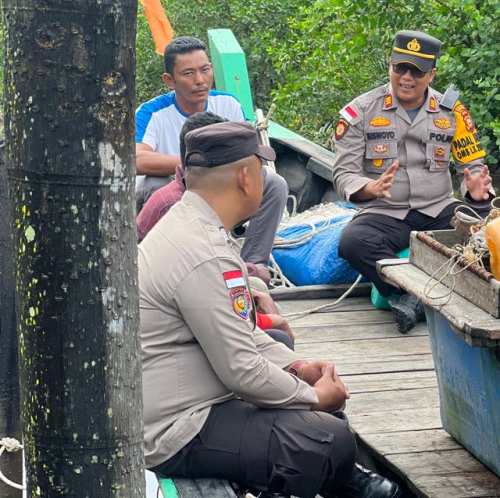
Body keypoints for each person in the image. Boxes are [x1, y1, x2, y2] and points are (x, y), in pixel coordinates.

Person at [139, 121, 399, 498]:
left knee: (308, 400)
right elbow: (241, 369)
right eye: (261, 170)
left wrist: (297, 369)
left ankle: (336, 478)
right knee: (331, 437)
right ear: (245, 177)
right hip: (176, 428)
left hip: (191, 394)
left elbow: (242, 333)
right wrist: (313, 398)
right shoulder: (202, 252)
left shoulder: (193, 224)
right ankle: (328, 477)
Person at [333, 30, 493, 333]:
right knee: (352, 242)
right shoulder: (361, 111)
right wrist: (369, 188)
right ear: (390, 66)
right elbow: (343, 173)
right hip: (384, 212)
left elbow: (472, 166)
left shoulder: (452, 112)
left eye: (416, 71)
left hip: (438, 209)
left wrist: (475, 192)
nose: (406, 78)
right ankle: (407, 294)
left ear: (431, 74)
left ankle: (415, 299)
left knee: (489, 234)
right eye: (399, 68)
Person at [137, 110, 293, 347]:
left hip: (182, 305)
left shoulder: (192, 204)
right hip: (169, 325)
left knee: (258, 291)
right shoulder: (178, 209)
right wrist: (268, 322)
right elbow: (235, 358)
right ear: (243, 178)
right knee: (278, 338)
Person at [135, 35, 288, 268]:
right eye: (188, 73)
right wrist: (198, 163)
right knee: (155, 185)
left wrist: (216, 169)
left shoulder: (229, 104)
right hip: (179, 188)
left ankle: (253, 266)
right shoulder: (152, 112)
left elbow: (248, 154)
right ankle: (176, 264)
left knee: (274, 183)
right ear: (169, 80)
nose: (200, 80)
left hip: (221, 185)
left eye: (205, 69)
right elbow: (137, 159)